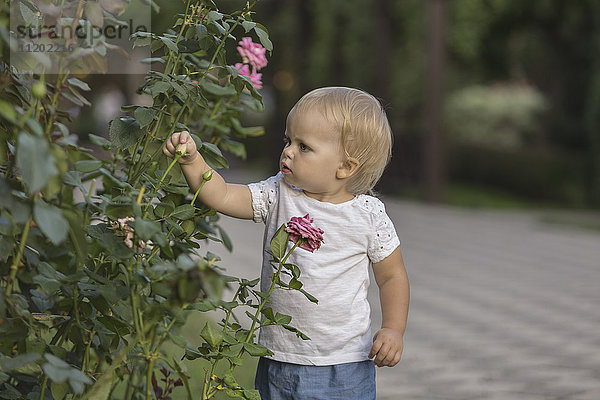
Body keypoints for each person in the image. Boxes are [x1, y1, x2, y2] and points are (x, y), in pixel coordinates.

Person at [163, 87, 409, 400]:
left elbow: (392, 276)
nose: (288, 151)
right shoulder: (278, 194)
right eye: (288, 140)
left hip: (344, 364)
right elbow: (222, 196)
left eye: (304, 146)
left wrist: (393, 329)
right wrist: (192, 161)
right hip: (278, 357)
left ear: (345, 167)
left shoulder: (367, 216)